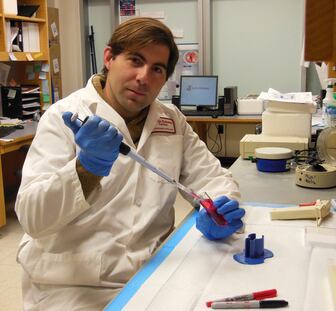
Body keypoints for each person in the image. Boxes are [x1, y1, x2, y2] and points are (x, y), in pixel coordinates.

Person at [15, 17, 245, 310]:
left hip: (151, 273)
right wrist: (85, 169)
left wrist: (220, 205)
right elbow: (32, 217)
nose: (144, 77)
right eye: (135, 60)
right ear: (109, 57)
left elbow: (213, 177)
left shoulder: (171, 120)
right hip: (71, 283)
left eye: (157, 69)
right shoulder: (65, 117)